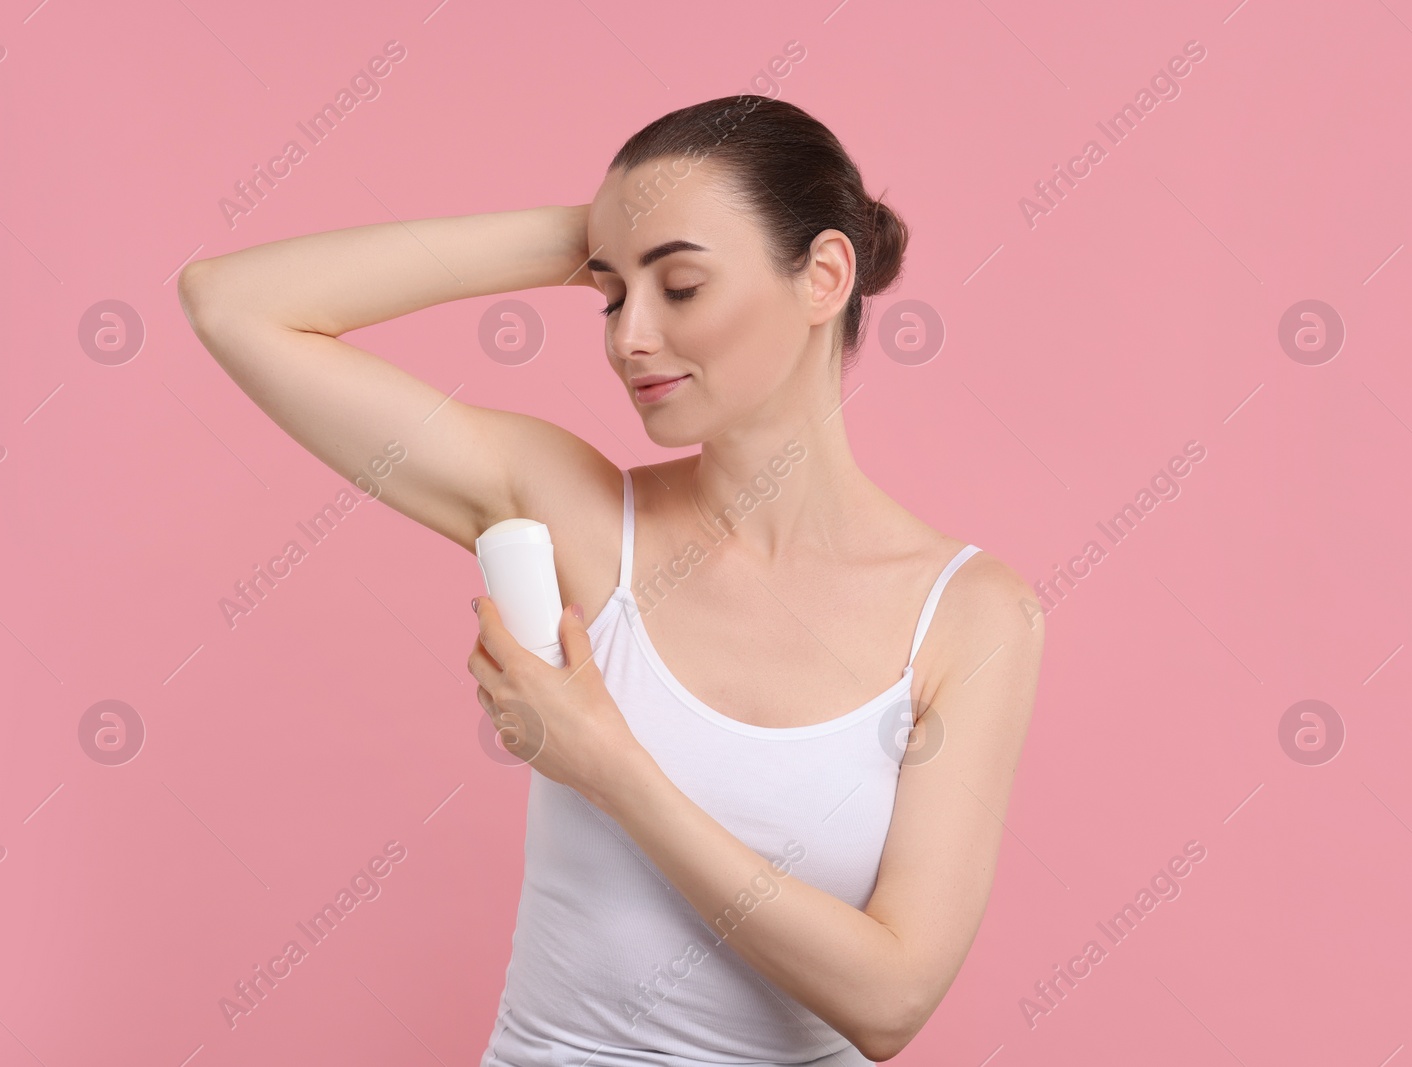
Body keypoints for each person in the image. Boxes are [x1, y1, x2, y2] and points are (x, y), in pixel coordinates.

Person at [178, 94, 1044, 1065]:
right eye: (608, 295)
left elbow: (890, 999)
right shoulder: (584, 521)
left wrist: (607, 764)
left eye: (678, 286)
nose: (627, 336)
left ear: (825, 275)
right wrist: (595, 236)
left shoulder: (969, 616)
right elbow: (232, 302)